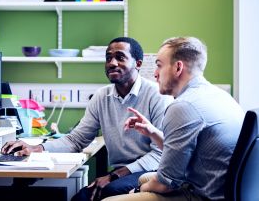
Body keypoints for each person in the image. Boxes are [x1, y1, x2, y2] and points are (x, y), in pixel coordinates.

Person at [1, 37, 174, 200]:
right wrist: (36, 148)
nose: (112, 63)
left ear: (138, 64)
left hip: (150, 171)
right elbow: (76, 140)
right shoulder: (101, 96)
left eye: (120, 57)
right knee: (82, 197)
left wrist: (113, 176)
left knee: (102, 191)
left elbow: (160, 154)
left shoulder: (157, 96)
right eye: (108, 58)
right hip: (120, 171)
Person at [103, 37, 245, 201]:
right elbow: (184, 151)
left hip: (201, 195)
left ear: (178, 67)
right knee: (144, 178)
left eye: (159, 65)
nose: (155, 74)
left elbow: (166, 183)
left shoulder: (184, 106)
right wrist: (153, 132)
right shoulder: (220, 96)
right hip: (220, 187)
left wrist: (138, 190)